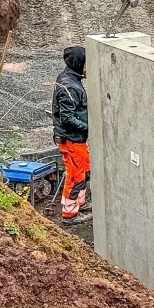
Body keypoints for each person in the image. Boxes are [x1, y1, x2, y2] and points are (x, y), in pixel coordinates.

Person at [53, 46, 91, 224]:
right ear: (78, 64)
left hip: (77, 139)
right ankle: (70, 214)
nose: (88, 68)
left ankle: (79, 203)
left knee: (84, 172)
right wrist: (89, 127)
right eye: (86, 64)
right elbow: (67, 118)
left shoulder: (70, 79)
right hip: (71, 139)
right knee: (75, 176)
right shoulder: (69, 86)